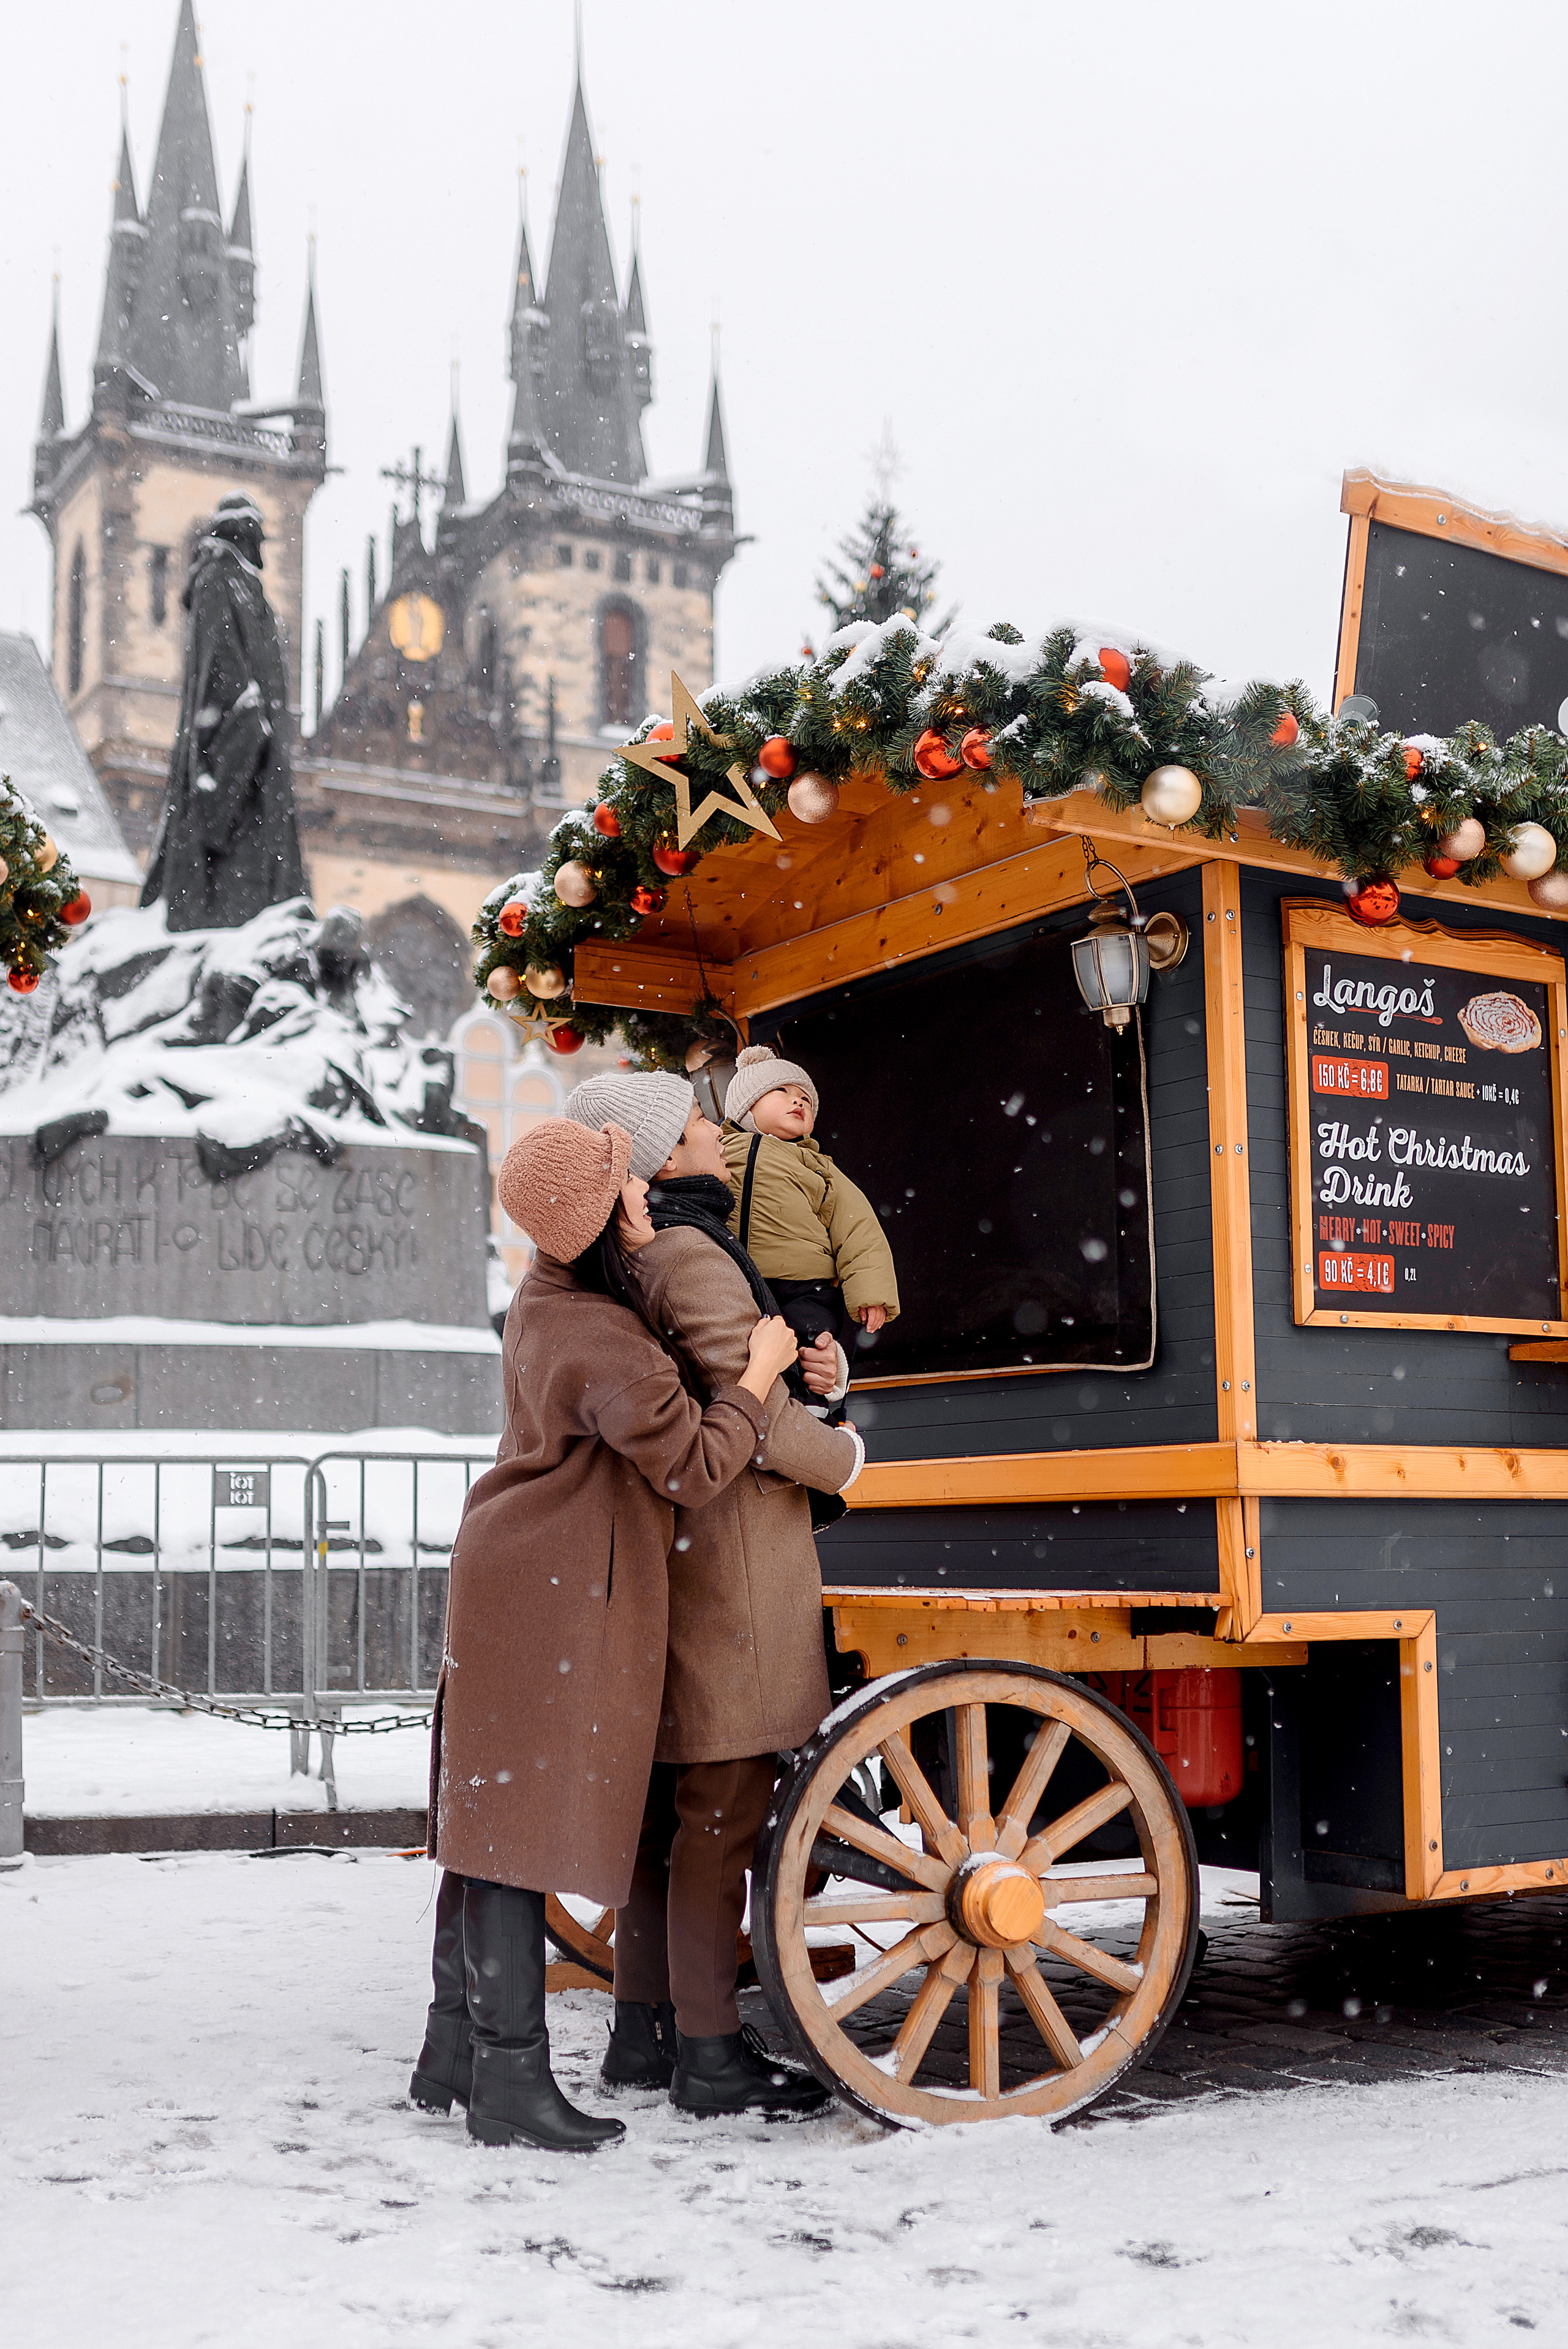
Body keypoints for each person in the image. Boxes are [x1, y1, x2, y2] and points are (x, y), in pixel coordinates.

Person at [410, 1114, 801, 2153]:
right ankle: (507, 2083)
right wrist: (761, 1371)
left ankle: (456, 2054)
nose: (643, 1196)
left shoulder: (553, 1296)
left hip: (516, 1568)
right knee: (508, 1837)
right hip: (548, 1586)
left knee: (488, 1827)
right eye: (625, 1187)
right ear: (596, 1221)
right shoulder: (599, 1334)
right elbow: (698, 1463)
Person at [564, 1071, 864, 2116]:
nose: (719, 1138)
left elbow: (750, 1373)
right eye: (699, 1127)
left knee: (665, 1818)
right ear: (657, 1155)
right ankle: (710, 2053)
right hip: (734, 1561)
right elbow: (762, 1419)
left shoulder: (643, 1252)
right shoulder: (691, 1253)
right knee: (721, 1816)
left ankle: (643, 2039)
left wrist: (805, 1370)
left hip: (683, 1553)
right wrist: (846, 1455)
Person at [141, 492, 307, 931]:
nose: (260, 546)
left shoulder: (240, 582)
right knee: (236, 848)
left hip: (256, 737)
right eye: (254, 532)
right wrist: (246, 714)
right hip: (240, 734)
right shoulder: (220, 578)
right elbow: (221, 665)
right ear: (239, 532)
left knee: (263, 852)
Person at [721, 1045, 900, 1397]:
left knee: (810, 1342)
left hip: (804, 1284)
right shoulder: (720, 1150)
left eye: (805, 1098)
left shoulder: (817, 1166)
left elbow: (858, 1228)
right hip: (734, 1276)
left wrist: (870, 1292)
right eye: (783, 1092)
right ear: (746, 1105)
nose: (798, 1102)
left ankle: (814, 1408)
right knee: (737, 1347)